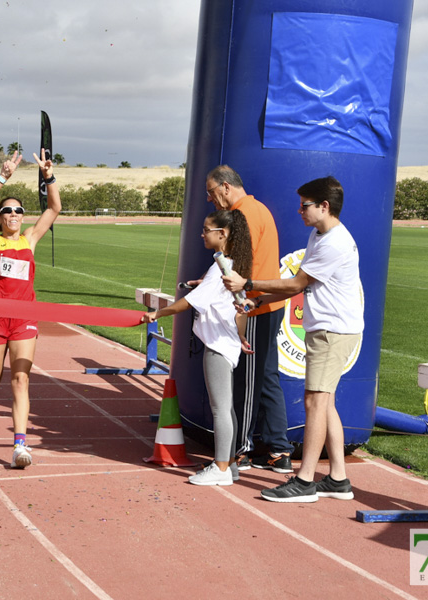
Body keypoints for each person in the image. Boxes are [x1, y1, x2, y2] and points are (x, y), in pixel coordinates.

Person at [223, 176, 363, 503]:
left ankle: (304, 481)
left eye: (305, 205)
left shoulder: (333, 243)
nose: (299, 211)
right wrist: (258, 299)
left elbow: (298, 283)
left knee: (315, 401)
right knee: (324, 402)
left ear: (324, 206)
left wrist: (250, 282)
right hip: (328, 328)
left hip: (333, 331)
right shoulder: (320, 235)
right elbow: (299, 283)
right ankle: (339, 478)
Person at [143, 209, 253, 485]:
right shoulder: (226, 264)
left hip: (218, 344)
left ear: (222, 234)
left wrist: (159, 313)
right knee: (226, 408)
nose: (201, 234)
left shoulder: (220, 268)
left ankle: (221, 468)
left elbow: (191, 302)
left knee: (220, 408)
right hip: (226, 341)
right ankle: (229, 465)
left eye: (206, 229)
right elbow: (239, 310)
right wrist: (240, 336)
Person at [0, 150, 60, 469]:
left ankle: (20, 446)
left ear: (23, 216)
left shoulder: (29, 239)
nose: (13, 214)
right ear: (0, 217)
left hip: (23, 318)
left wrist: (48, 176)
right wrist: (2, 176)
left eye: (18, 210)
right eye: (7, 211)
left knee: (20, 379)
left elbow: (54, 208)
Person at [205, 166, 293, 473]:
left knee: (248, 382)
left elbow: (239, 267)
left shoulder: (243, 216)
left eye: (211, 192)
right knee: (267, 377)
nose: (211, 200)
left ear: (226, 188)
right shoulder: (257, 209)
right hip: (268, 303)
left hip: (256, 307)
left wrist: (227, 298)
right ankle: (279, 450)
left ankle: (240, 450)